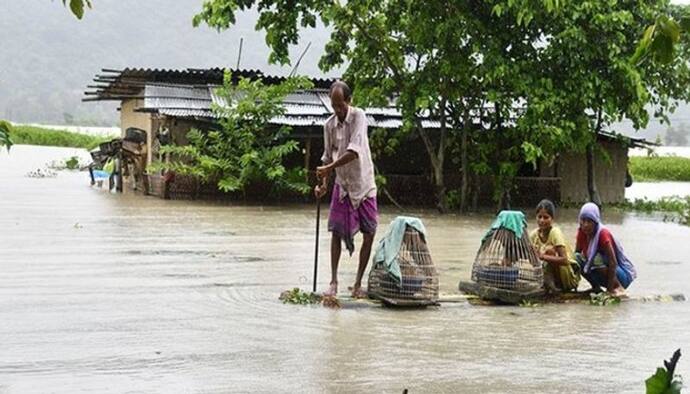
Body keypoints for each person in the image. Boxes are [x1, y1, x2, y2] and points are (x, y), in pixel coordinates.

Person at [314, 81, 378, 298]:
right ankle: (333, 282)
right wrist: (323, 184)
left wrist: (329, 167)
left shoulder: (359, 116)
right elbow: (326, 156)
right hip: (342, 186)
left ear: (348, 102)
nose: (337, 111)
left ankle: (358, 284)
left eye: (340, 106)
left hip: (363, 184)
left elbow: (354, 151)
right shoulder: (329, 126)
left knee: (369, 233)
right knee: (336, 232)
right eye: (334, 106)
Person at [575, 202, 636, 296]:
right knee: (576, 258)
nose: (586, 225)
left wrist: (609, 290)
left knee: (596, 258)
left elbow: (613, 262)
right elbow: (576, 254)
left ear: (595, 222)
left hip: (619, 276)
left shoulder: (603, 234)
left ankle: (617, 288)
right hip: (601, 272)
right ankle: (596, 288)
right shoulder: (581, 232)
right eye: (583, 220)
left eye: (589, 221)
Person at [529, 199, 580, 292]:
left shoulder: (555, 232)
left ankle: (556, 288)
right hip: (547, 274)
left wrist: (542, 256)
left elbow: (564, 260)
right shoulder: (534, 235)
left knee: (549, 251)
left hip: (568, 276)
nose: (542, 220)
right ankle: (546, 284)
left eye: (546, 217)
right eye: (539, 217)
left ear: (552, 219)